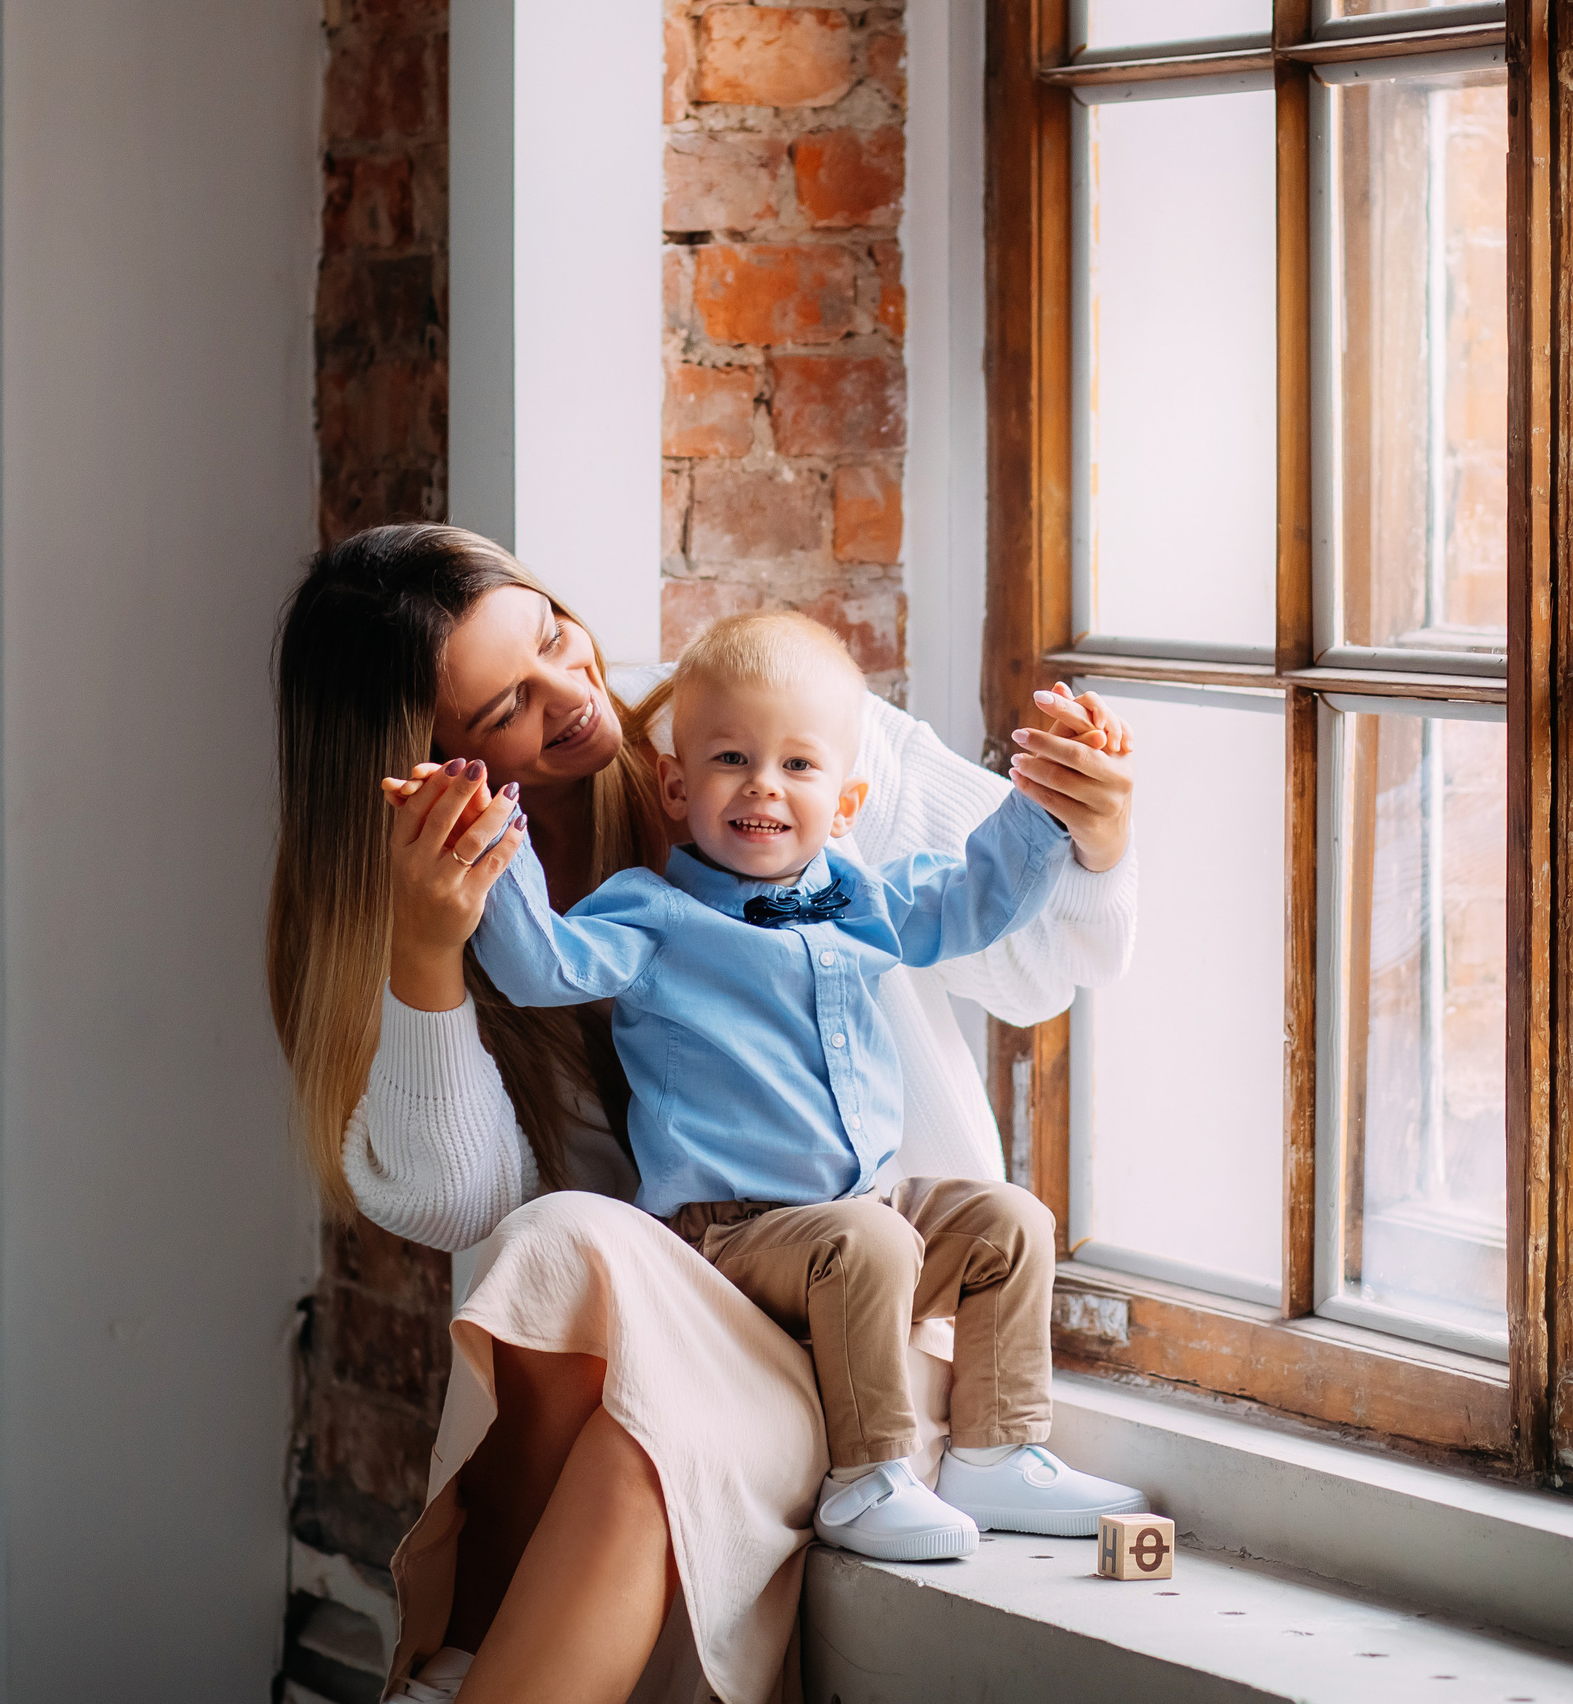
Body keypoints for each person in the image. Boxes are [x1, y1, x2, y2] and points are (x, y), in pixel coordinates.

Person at [266, 524, 1138, 1704]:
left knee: (638, 1439)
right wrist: (428, 955)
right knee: (565, 1248)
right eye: (506, 709)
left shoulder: (764, 723)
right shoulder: (504, 892)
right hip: (704, 1276)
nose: (576, 695)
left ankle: (457, 1672)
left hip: (878, 1312)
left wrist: (1087, 830)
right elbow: (460, 1204)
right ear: (434, 760)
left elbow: (1025, 956)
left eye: (555, 634)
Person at [460, 609, 1146, 1563]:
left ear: (847, 800)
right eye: (732, 759)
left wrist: (1049, 805)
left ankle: (996, 1449)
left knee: (1011, 1221)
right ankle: (866, 1479)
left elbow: (977, 900)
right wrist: (498, 847)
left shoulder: (862, 898)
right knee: (867, 1238)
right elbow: (546, 966)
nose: (762, 787)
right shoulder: (653, 914)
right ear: (675, 782)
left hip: (865, 1213)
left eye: (797, 766)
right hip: (732, 1237)